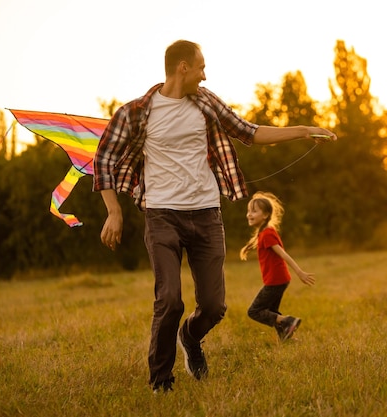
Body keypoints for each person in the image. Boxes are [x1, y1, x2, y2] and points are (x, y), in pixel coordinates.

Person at [92, 40, 336, 393]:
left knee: (213, 306)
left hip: (206, 215)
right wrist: (113, 211)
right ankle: (161, 380)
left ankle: (190, 338)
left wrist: (303, 130)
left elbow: (250, 132)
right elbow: (104, 159)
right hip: (162, 215)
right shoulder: (135, 112)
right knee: (169, 299)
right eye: (201, 67)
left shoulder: (207, 103)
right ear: (182, 68)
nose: (206, 74)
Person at [240, 192, 315, 342]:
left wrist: (299, 272)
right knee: (272, 312)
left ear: (266, 214)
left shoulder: (267, 233)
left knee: (254, 311)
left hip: (275, 280)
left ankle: (288, 321)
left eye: (254, 211)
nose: (249, 214)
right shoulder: (264, 232)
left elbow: (283, 254)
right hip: (278, 279)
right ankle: (286, 338)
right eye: (249, 211)